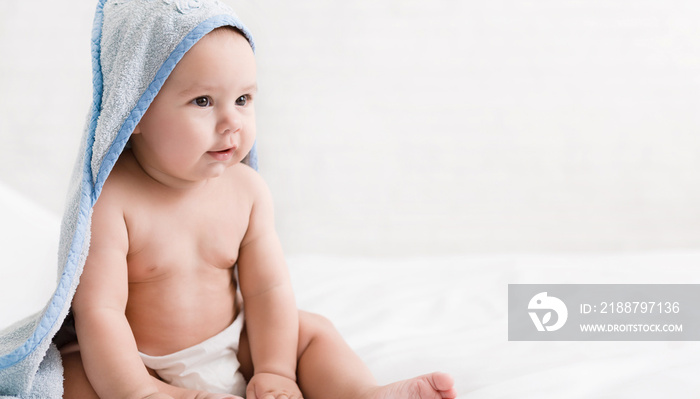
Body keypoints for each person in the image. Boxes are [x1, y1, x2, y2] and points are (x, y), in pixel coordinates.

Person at [59, 4, 457, 399]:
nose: (232, 121)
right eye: (203, 101)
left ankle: (363, 393)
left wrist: (275, 369)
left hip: (233, 346)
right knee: (73, 372)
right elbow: (101, 313)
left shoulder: (245, 190)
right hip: (139, 363)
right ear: (135, 110)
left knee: (312, 331)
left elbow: (268, 289)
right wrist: (138, 390)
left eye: (244, 99)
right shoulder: (112, 202)